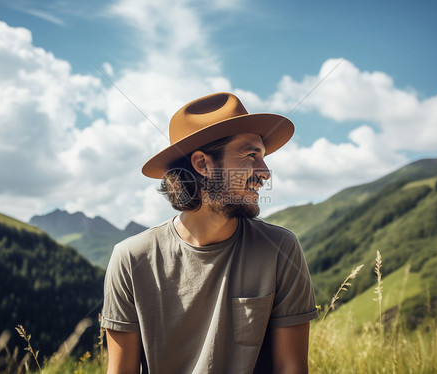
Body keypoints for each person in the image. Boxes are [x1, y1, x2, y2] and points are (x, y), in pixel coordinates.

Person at [101, 92, 319, 374]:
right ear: (203, 164)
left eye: (262, 157)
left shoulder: (280, 248)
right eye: (251, 154)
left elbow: (291, 368)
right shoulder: (131, 258)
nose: (265, 172)